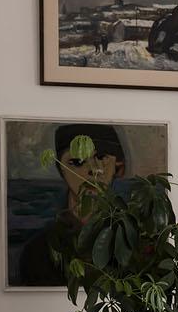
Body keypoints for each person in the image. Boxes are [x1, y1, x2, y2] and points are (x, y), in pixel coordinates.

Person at [17, 123, 127, 287]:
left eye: (101, 157)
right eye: (77, 162)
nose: (93, 170)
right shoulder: (38, 251)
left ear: (119, 167)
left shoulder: (133, 241)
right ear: (60, 169)